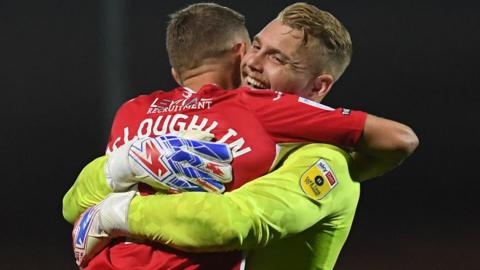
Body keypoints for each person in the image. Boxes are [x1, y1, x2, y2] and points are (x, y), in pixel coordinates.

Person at [63, 2, 418, 269]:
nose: (252, 62)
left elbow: (232, 222)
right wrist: (124, 164)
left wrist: (119, 212)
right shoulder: (232, 122)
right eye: (257, 46)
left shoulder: (323, 161)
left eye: (277, 58)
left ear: (318, 86)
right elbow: (71, 203)